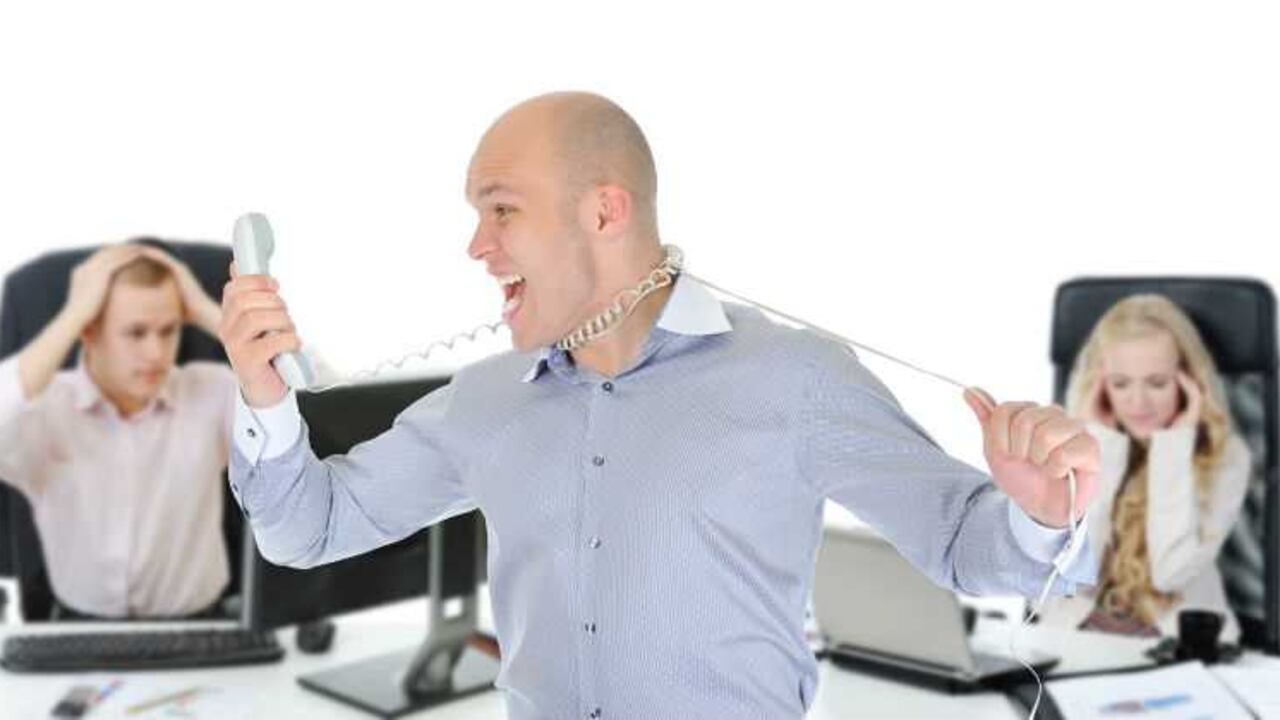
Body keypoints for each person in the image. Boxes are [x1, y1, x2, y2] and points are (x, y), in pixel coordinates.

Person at [221, 91, 1100, 719]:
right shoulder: (483, 401)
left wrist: (1039, 513)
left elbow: (967, 547)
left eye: (502, 211)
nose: (477, 246)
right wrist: (264, 394)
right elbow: (309, 530)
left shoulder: (791, 378)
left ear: (604, 212)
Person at [0, 242, 236, 619]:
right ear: (88, 330)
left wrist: (207, 311)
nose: (156, 353)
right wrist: (71, 317)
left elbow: (315, 402)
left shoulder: (214, 392)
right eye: (136, 333)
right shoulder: (45, 410)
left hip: (199, 624)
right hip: (78, 628)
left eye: (168, 330)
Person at [1041, 294, 1251, 642]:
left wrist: (1173, 447)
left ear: (1189, 381)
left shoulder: (1225, 456)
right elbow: (1070, 572)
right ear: (1100, 384)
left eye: (1157, 383)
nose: (1137, 402)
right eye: (1120, 383)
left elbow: (1170, 573)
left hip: (1174, 642)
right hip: (1080, 637)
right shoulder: (1070, 445)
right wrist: (1102, 449)